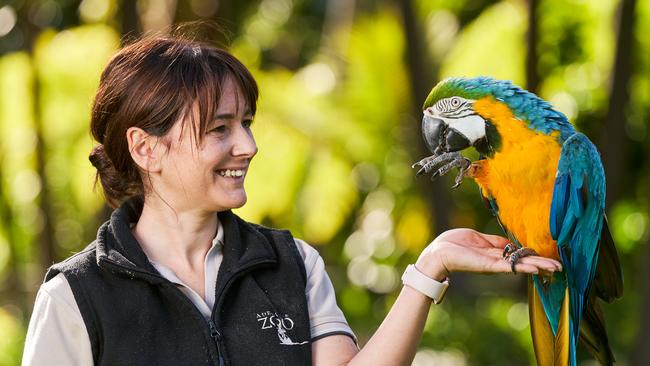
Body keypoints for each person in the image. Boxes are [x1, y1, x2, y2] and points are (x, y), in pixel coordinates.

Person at [21, 35, 561, 366]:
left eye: (247, 124)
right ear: (145, 147)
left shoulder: (291, 265)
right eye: (219, 129)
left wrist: (430, 268)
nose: (248, 146)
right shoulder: (76, 297)